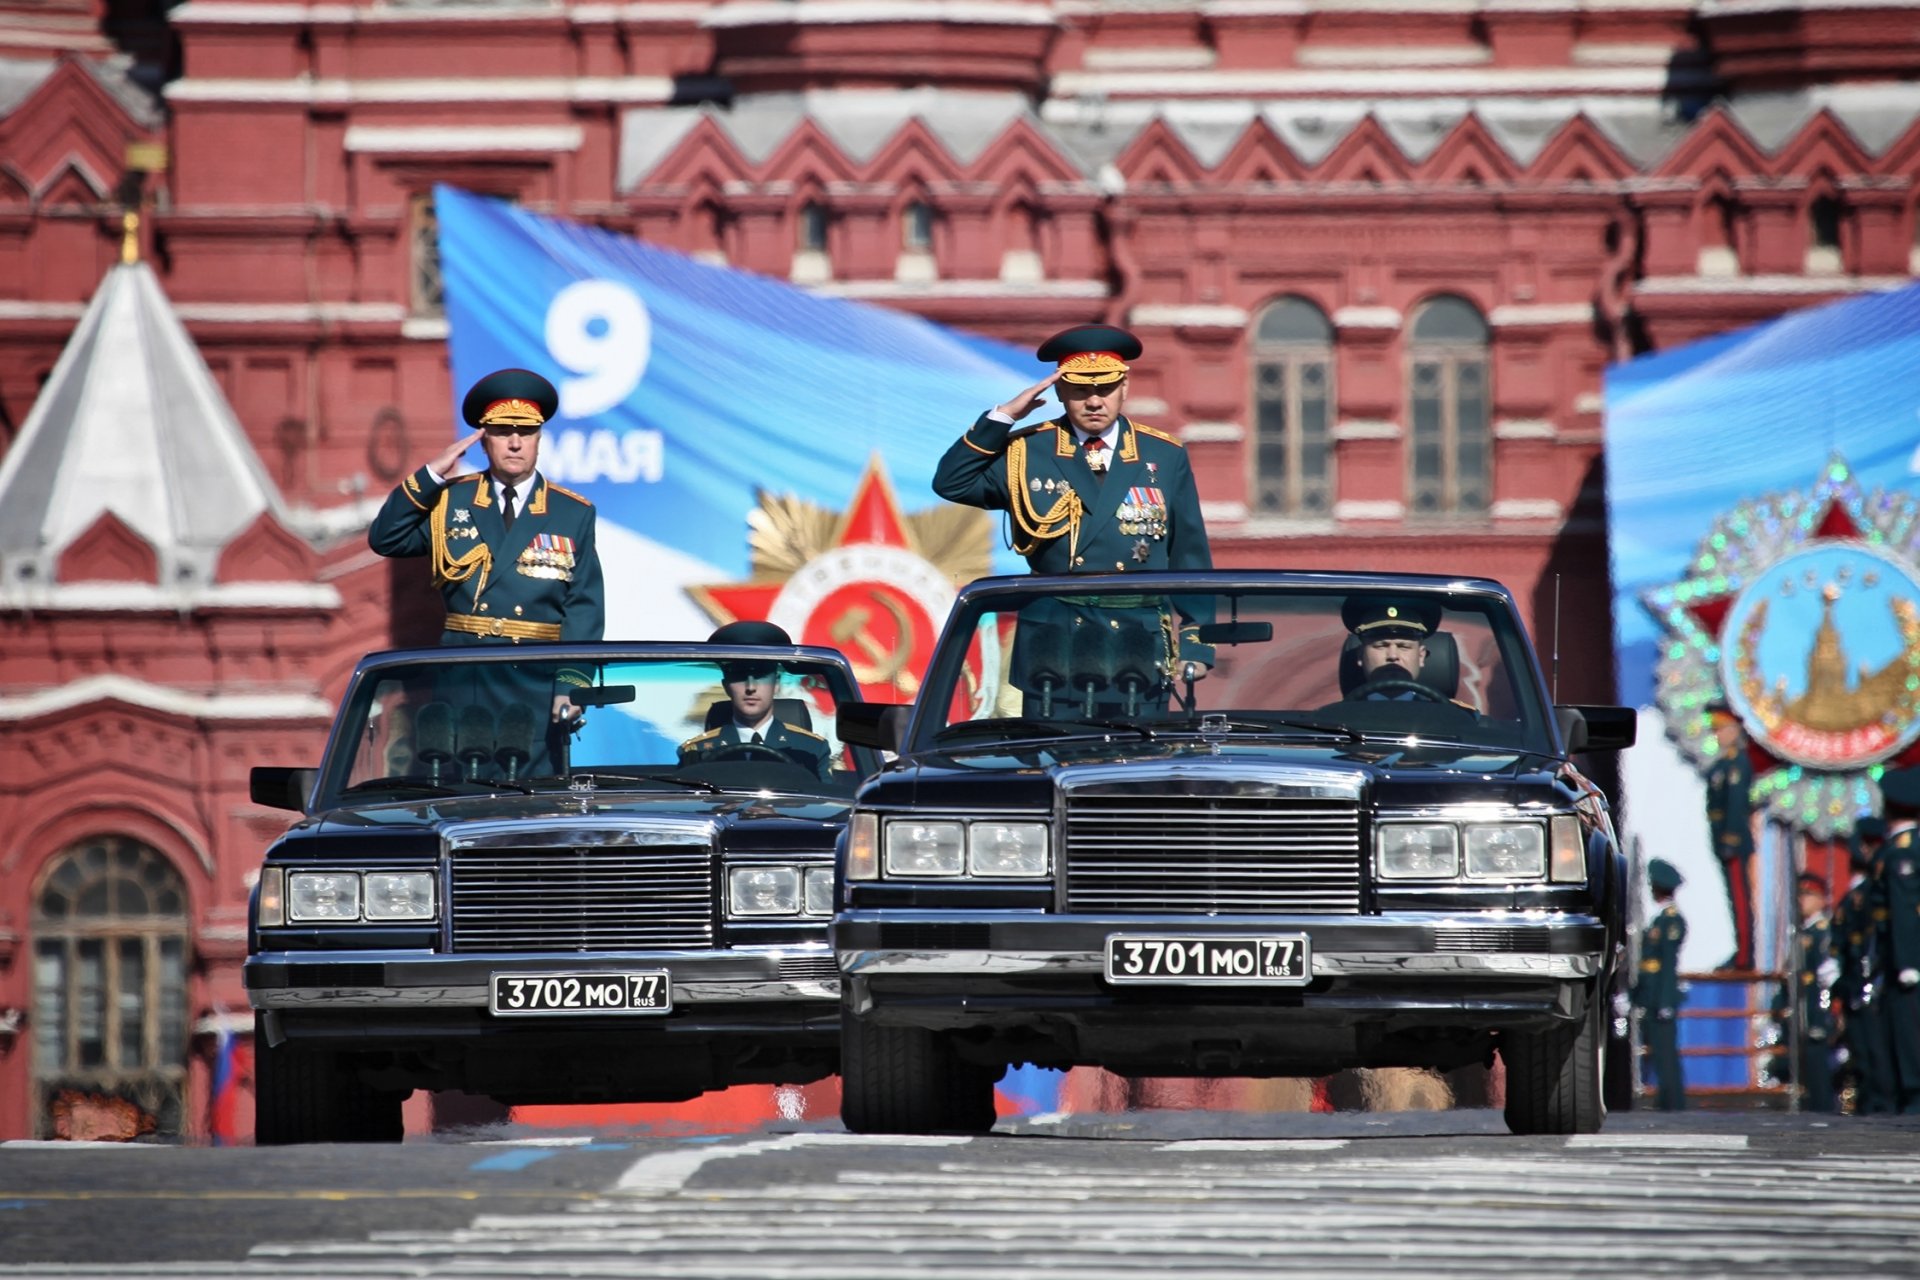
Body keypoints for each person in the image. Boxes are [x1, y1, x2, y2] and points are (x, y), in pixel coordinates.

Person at [934, 325, 1214, 705]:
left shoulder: (1162, 455)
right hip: (1055, 642)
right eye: (1081, 390)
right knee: (1053, 758)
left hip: (1137, 640)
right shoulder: (1029, 451)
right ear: (1060, 392)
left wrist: (1197, 640)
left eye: (1106, 389)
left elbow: (1189, 553)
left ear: (1125, 389)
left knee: (1138, 761)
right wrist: (1002, 418)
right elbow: (952, 482)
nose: (1094, 402)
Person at [368, 368, 605, 728]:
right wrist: (431, 474)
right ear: (482, 440)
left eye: (526, 432)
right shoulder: (451, 500)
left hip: (536, 682)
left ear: (539, 438)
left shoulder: (571, 512)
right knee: (464, 783)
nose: (514, 443)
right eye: (501, 432)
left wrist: (570, 685)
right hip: (466, 679)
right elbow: (387, 538)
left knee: (537, 783)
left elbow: (583, 607)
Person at [678, 621, 834, 781]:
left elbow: (827, 802)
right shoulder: (696, 752)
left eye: (761, 675)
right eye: (740, 676)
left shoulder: (811, 749)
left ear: (777, 684)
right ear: (726, 687)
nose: (751, 687)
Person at [1834, 815, 1895, 1113]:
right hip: (1860, 978)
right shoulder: (1857, 895)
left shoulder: (1870, 891)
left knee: (1878, 1048)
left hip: (1875, 975)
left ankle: (1883, 1101)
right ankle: (1874, 1100)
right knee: (1865, 1049)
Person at [1874, 767, 1920, 1113]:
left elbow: (1903, 910)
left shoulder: (1902, 851)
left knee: (1909, 1031)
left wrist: (1906, 961)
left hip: (1910, 958)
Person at [1774, 871, 1837, 1111]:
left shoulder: (1823, 932)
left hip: (1815, 1008)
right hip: (1801, 1008)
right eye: (1800, 895)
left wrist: (1824, 1014)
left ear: (1821, 899)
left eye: (1808, 895)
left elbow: (1826, 977)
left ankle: (1824, 1109)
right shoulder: (1802, 933)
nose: (1802, 900)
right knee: (1805, 1068)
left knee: (1818, 1064)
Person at [1632, 857, 1688, 1111]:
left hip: (1661, 996)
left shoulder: (1671, 920)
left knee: (1666, 1053)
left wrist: (1665, 1001)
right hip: (1651, 994)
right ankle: (1666, 1100)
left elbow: (1667, 965)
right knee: (1658, 1051)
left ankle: (1673, 1101)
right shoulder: (1659, 919)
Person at [1703, 703, 1756, 971]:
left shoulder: (1737, 763)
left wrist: (1731, 840)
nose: (1718, 735)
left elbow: (1736, 805)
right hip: (1722, 840)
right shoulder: (1724, 763)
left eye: (1722, 729)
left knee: (1740, 899)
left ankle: (1745, 956)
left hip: (1731, 842)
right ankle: (1740, 951)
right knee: (1732, 899)